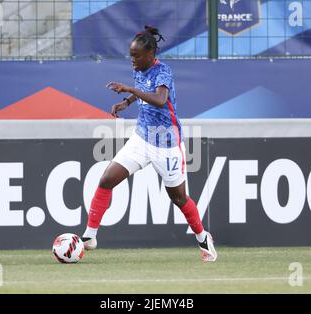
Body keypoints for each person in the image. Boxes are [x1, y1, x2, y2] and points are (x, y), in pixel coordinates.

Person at [81, 25, 217, 262]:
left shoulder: (163, 71)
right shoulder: (139, 69)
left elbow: (160, 99)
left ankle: (203, 237)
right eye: (131, 55)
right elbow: (143, 90)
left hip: (167, 146)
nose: (131, 59)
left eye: (136, 55)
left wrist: (130, 89)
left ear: (150, 55)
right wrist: (127, 101)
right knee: (106, 180)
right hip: (142, 139)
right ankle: (89, 236)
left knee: (178, 198)